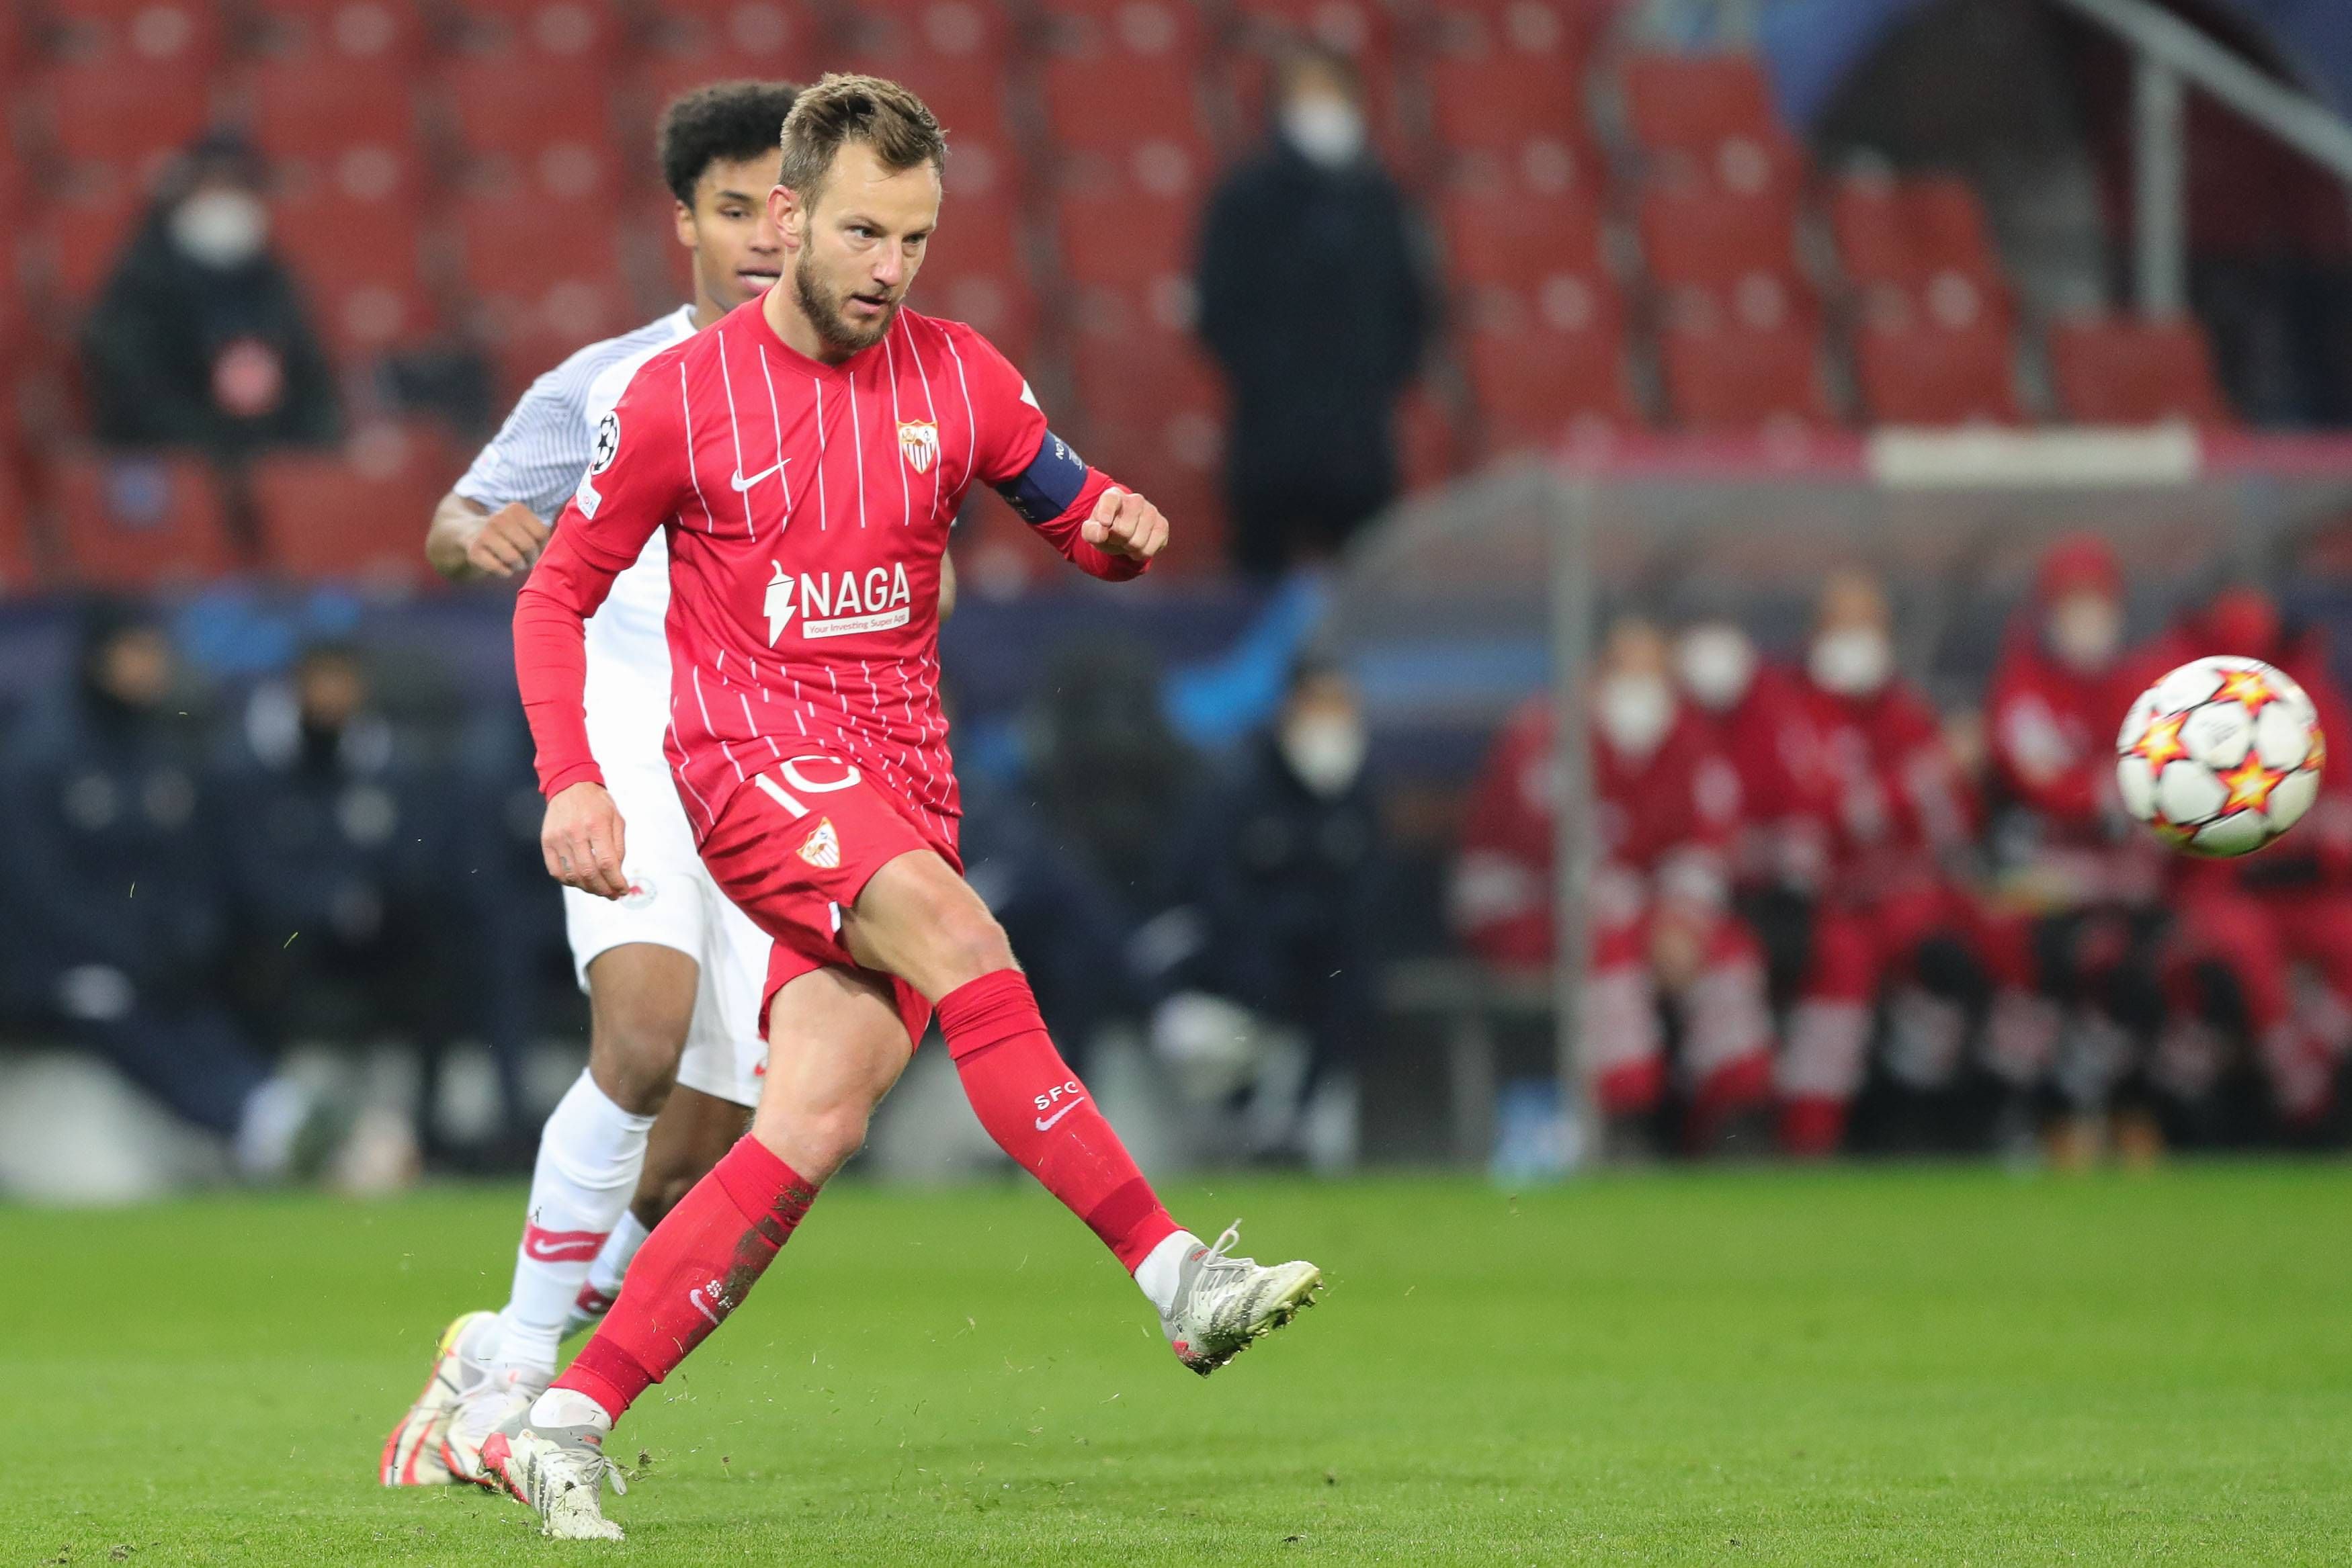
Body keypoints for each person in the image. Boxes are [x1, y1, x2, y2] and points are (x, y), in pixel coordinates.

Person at [486, 77, 1320, 1539]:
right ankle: (1175, 1274)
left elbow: (1079, 513)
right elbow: (555, 591)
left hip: (898, 779)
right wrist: (572, 778)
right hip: (750, 765)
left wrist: (1122, 538)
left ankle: (564, 1416)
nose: (889, 269)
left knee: (809, 1119)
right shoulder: (680, 399)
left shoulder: (963, 378)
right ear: (791, 216)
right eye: (865, 233)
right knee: (963, 935)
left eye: (916, 240)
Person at [382, 81, 805, 1489]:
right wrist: (476, 535)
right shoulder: (607, 384)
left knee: (707, 1152)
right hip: (627, 747)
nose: (761, 236)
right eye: (733, 208)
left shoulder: (866, 391)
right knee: (641, 1024)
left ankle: (499, 1356)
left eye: (785, 209)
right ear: (682, 220)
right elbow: (455, 520)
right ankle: (513, 1377)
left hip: (775, 770)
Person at [0, 599, 333, 1179]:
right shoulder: (40, 758)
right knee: (113, 1001)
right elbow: (37, 889)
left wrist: (184, 937)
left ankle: (265, 1103)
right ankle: (254, 1121)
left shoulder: (164, 752)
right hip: (67, 962)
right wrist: (121, 948)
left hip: (153, 957)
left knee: (201, 993)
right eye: (137, 651)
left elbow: (192, 867)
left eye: (156, 651)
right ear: (98, 660)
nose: (152, 665)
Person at [1455, 618, 1776, 1158]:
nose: (1641, 689)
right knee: (1610, 940)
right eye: (1625, 671)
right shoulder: (1546, 734)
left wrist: (1680, 921)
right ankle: (1620, 1119)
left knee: (1725, 948)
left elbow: (1705, 844)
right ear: (1591, 676)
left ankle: (1731, 1116)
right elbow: (1551, 855)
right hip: (1518, 910)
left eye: (1653, 673)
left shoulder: (1686, 738)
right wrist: (1648, 913)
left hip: (1636, 908)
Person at [1783, 570, 2005, 1155]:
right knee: (1839, 976)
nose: (1857, 640)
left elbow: (1953, 823)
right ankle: (1810, 1138)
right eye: (1842, 626)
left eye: (1868, 626)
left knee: (1973, 956)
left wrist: (1961, 778)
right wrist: (1934, 768)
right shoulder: (1795, 714)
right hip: (1831, 899)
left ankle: (1929, 1117)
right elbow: (1844, 817)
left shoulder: (1905, 710)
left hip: (1913, 897)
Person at [1195, 44, 1429, 577]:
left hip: (1362, 438)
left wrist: (1376, 380)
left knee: (1366, 587)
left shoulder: (1380, 198)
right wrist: (1271, 378)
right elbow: (1219, 310)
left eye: (1333, 92)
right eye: (1307, 93)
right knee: (1261, 587)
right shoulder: (1243, 196)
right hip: (1268, 436)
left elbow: (1412, 306)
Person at [1982, 537, 2169, 1158]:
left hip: (2131, 880)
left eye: (2097, 605)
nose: (2087, 621)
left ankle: (2096, 1106)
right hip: (2045, 878)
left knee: (2146, 978)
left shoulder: (2142, 683)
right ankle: (2030, 1113)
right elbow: (2040, 782)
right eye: (2072, 606)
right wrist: (2118, 787)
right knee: (2047, 973)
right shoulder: (2024, 683)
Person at [2146, 586, 2352, 1137]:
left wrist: (2310, 845)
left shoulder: (2315, 705)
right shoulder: (2181, 711)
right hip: (2222, 891)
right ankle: (2289, 1086)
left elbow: (2342, 803)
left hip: (2307, 889)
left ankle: (2309, 1072)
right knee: (2240, 950)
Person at [1165, 656, 1383, 1164]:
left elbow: (1370, 895)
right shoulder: (1237, 787)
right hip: (1234, 986)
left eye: (1342, 707)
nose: (1331, 722)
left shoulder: (1358, 794)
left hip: (1321, 1002)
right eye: (1319, 706)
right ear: (1289, 710)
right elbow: (1210, 895)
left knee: (1349, 976)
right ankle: (1244, 1122)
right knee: (1202, 1038)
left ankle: (1294, 1120)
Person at [81, 132, 339, 462]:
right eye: (214, 186)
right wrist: (213, 445)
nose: (226, 200)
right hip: (170, 457)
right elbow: (128, 383)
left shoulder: (272, 277)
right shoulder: (142, 278)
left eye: (238, 188)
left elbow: (311, 379)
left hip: (269, 457)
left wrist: (303, 449)